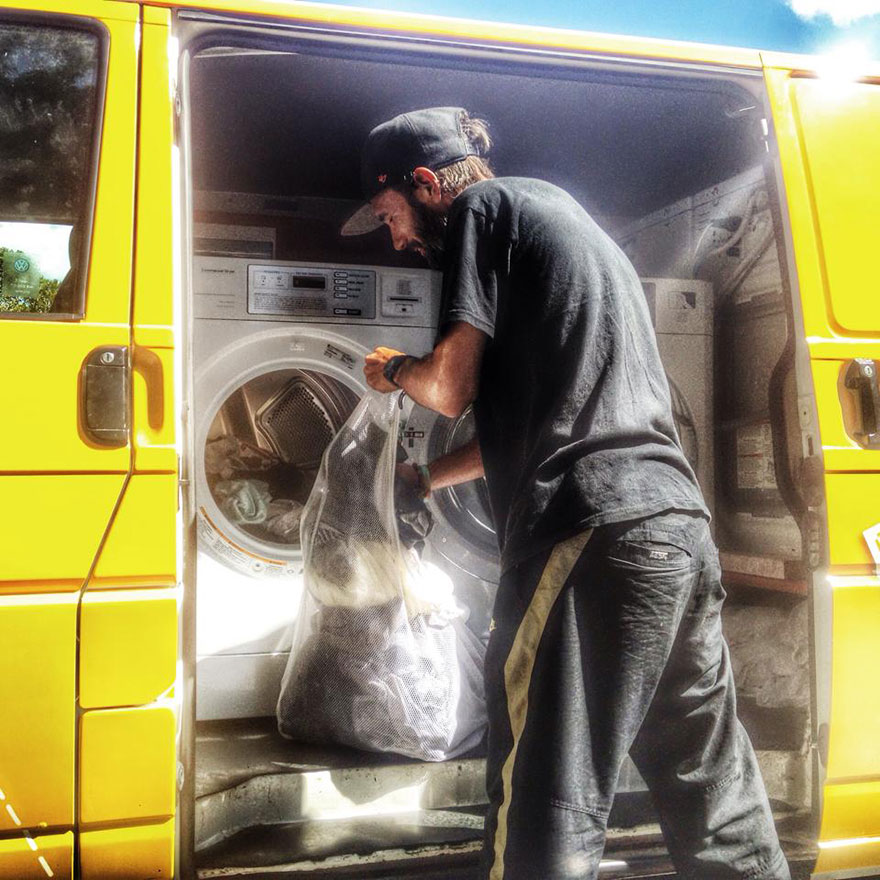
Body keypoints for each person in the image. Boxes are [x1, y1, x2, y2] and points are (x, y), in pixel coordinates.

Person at [346, 106, 790, 880]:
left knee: (546, 791)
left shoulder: (485, 208)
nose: (398, 239)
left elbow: (449, 388)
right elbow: (541, 421)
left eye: (391, 215)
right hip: (672, 528)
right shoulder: (568, 224)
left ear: (424, 184)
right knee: (708, 781)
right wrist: (426, 479)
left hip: (589, 534)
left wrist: (391, 370)